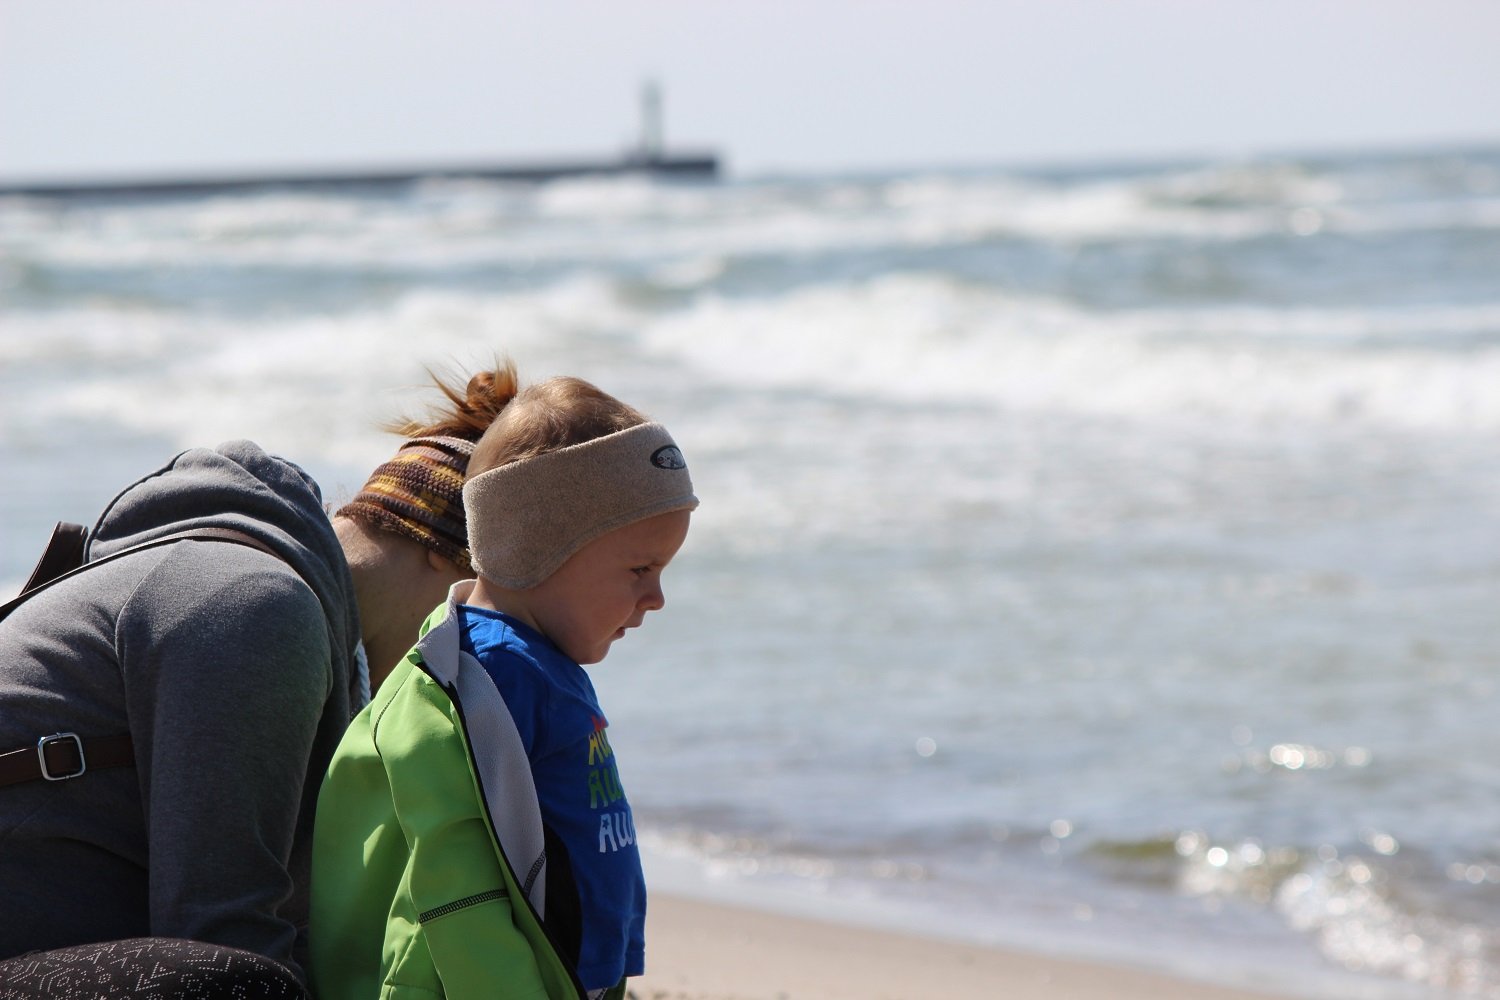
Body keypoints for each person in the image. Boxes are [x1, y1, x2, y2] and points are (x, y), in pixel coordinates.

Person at [0, 362, 517, 995]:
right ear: (444, 548)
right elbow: (221, 936)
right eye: (491, 619)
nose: (477, 659)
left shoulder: (301, 627)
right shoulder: (258, 606)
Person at [310, 374, 698, 1000]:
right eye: (639, 569)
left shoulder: (536, 665)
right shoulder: (474, 682)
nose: (655, 598)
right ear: (533, 547)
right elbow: (456, 888)